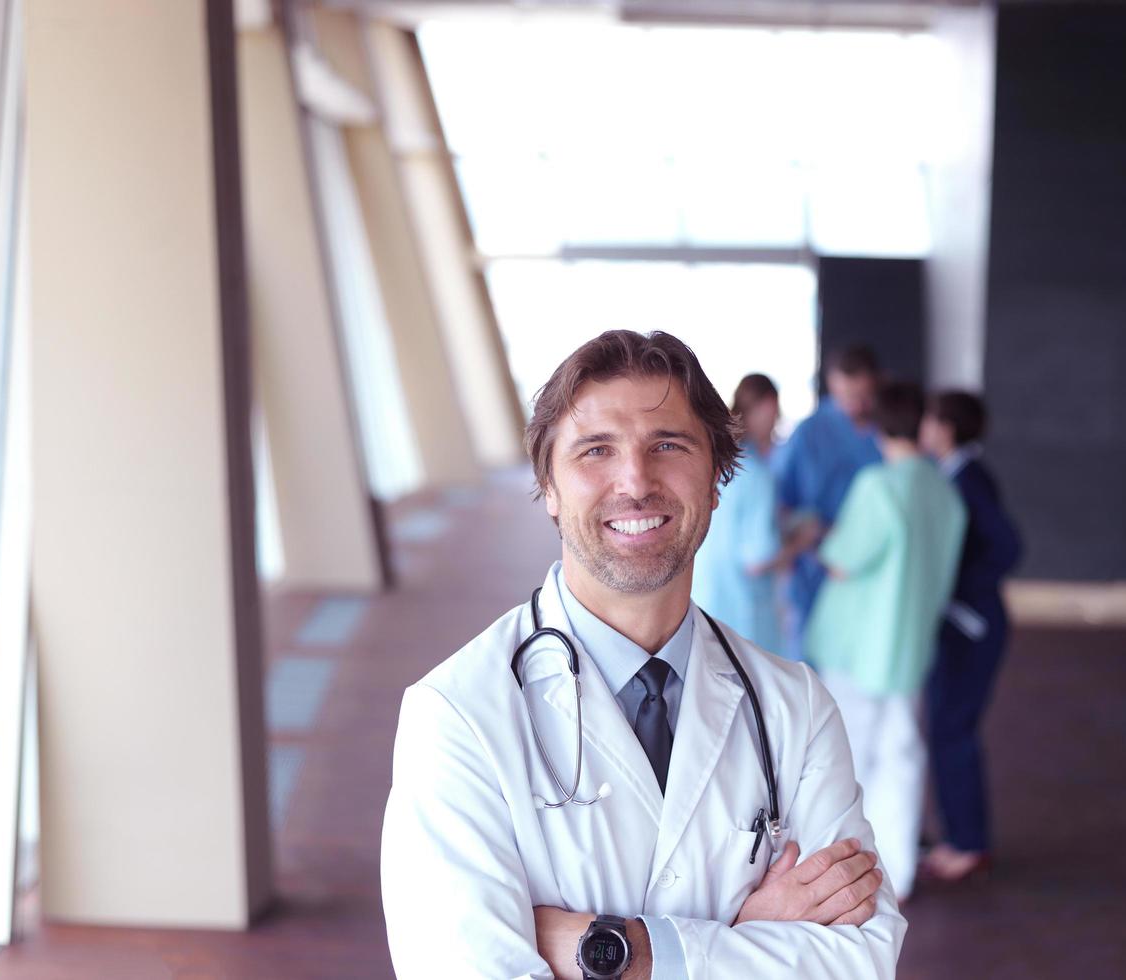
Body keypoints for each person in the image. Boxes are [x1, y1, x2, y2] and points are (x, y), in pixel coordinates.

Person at [381, 331, 905, 979]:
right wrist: (746, 941)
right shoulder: (456, 715)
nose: (634, 481)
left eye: (668, 446)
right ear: (547, 487)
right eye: (595, 450)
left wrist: (619, 952)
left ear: (717, 479)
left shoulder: (793, 705)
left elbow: (860, 961)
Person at [805, 381, 966, 903]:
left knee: (845, 760)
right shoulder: (942, 490)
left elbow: (842, 560)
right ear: (923, 424)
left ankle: (846, 878)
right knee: (901, 756)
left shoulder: (878, 485)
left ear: (875, 425)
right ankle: (896, 872)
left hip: (860, 646)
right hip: (910, 645)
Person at [918, 391, 1023, 884]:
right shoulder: (952, 474)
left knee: (952, 729)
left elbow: (1007, 547)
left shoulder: (968, 478)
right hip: (962, 623)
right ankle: (961, 835)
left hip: (972, 627)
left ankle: (969, 843)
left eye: (931, 420)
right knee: (946, 727)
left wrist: (954, 587)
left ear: (948, 428)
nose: (923, 428)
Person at [775, 346, 882, 661]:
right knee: (810, 664)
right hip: (815, 567)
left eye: (863, 395)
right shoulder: (809, 433)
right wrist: (807, 533)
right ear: (833, 385)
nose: (855, 404)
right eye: (847, 395)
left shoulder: (887, 430)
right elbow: (783, 502)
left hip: (870, 566)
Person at [691, 373, 785, 655]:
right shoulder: (755, 472)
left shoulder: (713, 460)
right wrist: (799, 542)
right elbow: (758, 559)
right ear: (768, 406)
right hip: (743, 616)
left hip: (702, 603)